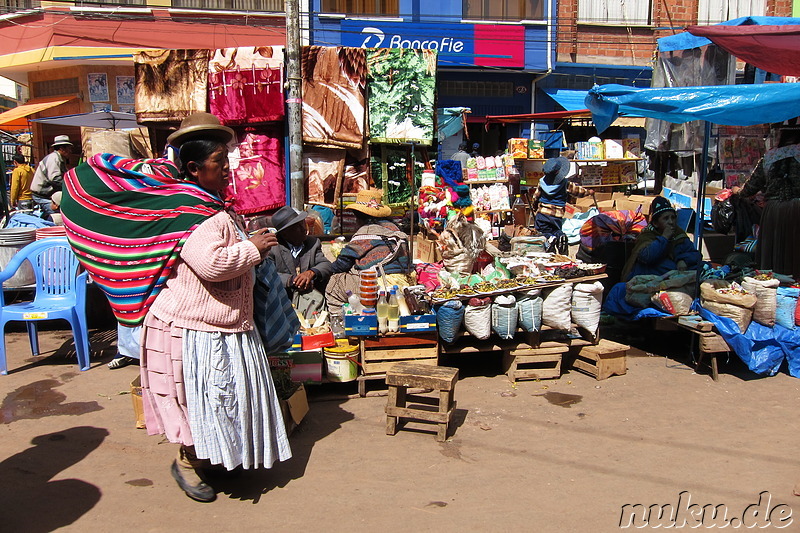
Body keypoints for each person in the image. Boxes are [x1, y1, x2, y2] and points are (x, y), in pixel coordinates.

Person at [61, 112, 291, 503]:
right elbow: (212, 265)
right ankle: (187, 462)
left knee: (222, 399)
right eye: (219, 163)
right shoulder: (195, 210)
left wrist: (246, 241)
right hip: (196, 326)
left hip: (222, 323)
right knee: (203, 400)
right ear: (193, 168)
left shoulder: (202, 204)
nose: (227, 170)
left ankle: (216, 459)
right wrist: (253, 249)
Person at [325, 189, 412, 322]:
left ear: (359, 216)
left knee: (334, 284)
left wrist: (323, 272)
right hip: (401, 285)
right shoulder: (394, 227)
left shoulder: (365, 231)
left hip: (378, 286)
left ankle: (340, 324)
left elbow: (342, 264)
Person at [733, 128, 800, 278]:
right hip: (797, 210)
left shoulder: (770, 156)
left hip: (774, 212)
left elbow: (749, 189)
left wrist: (737, 190)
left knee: (776, 254)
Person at [267, 205, 333, 319]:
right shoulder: (272, 248)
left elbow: (326, 264)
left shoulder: (312, 243)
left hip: (309, 303)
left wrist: (312, 272)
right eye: (297, 227)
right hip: (281, 303)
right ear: (285, 233)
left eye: (303, 224)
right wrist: (292, 281)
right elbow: (269, 274)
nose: (304, 229)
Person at [621, 196, 702, 280]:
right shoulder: (647, 235)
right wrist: (664, 237)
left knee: (702, 266)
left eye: (673, 218)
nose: (671, 222)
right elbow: (647, 257)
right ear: (656, 223)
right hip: (652, 276)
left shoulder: (678, 233)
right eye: (666, 218)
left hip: (676, 272)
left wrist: (683, 260)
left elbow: (695, 254)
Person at [532, 156, 593, 254]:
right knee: (555, 230)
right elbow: (579, 192)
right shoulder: (565, 183)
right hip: (557, 215)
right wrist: (589, 192)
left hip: (542, 214)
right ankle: (561, 237)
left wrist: (535, 207)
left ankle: (549, 244)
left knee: (542, 233)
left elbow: (535, 197)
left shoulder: (542, 183)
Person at [31, 135, 72, 220]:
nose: (70, 151)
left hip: (47, 194)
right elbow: (55, 179)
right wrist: (69, 188)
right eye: (68, 148)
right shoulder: (54, 158)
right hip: (42, 195)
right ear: (62, 149)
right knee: (57, 216)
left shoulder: (60, 159)